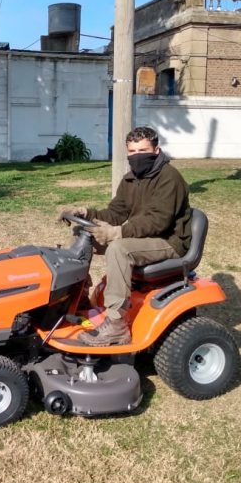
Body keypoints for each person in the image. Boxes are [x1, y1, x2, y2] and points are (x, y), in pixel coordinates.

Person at [59, 126, 191, 346]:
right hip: (147, 235)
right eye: (132, 151)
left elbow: (158, 222)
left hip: (170, 240)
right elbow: (116, 213)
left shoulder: (170, 178)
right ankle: (76, 298)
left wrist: (117, 233)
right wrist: (87, 214)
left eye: (143, 150)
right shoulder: (131, 179)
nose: (137, 156)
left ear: (156, 150)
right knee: (84, 234)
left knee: (119, 249)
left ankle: (117, 326)